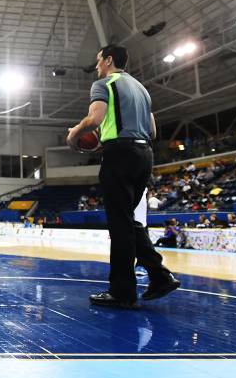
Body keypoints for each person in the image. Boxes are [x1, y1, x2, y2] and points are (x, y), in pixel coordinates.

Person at [67, 45, 179, 309]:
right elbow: (152, 129)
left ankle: (123, 293)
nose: (96, 67)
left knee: (119, 226)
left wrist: (74, 135)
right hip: (144, 154)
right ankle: (159, 275)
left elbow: (95, 119)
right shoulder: (141, 89)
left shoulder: (104, 84)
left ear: (108, 60)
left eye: (98, 61)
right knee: (127, 220)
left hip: (119, 154)